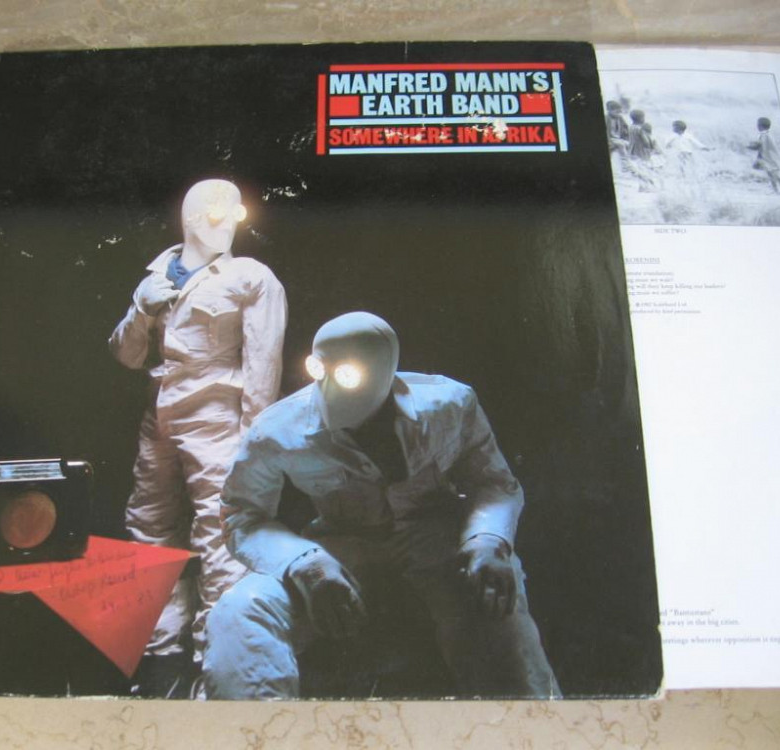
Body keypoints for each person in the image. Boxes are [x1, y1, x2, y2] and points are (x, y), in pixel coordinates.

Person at [202, 312, 560, 699]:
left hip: (439, 543)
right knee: (240, 611)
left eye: (347, 373)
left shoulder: (450, 406)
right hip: (341, 550)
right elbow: (241, 514)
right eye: (319, 368)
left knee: (495, 606)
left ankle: (529, 723)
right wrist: (304, 563)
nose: (330, 385)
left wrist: (488, 540)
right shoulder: (277, 430)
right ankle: (254, 728)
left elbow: (493, 482)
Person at [109, 178, 287, 695]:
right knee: (148, 530)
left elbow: (263, 367)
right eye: (214, 213)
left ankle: (217, 664)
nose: (227, 222)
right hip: (159, 414)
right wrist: (142, 309)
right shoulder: (157, 276)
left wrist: (254, 444)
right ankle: (161, 660)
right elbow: (126, 355)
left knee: (220, 536)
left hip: (217, 416)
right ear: (189, 218)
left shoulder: (250, 277)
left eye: (235, 213)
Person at [748, 116, 780, 196]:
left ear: (760, 126)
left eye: (757, 125)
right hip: (774, 157)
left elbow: (759, 145)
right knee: (777, 173)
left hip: (767, 159)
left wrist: (749, 147)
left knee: (771, 174)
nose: (757, 126)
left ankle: (775, 190)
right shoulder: (769, 134)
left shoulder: (763, 135)